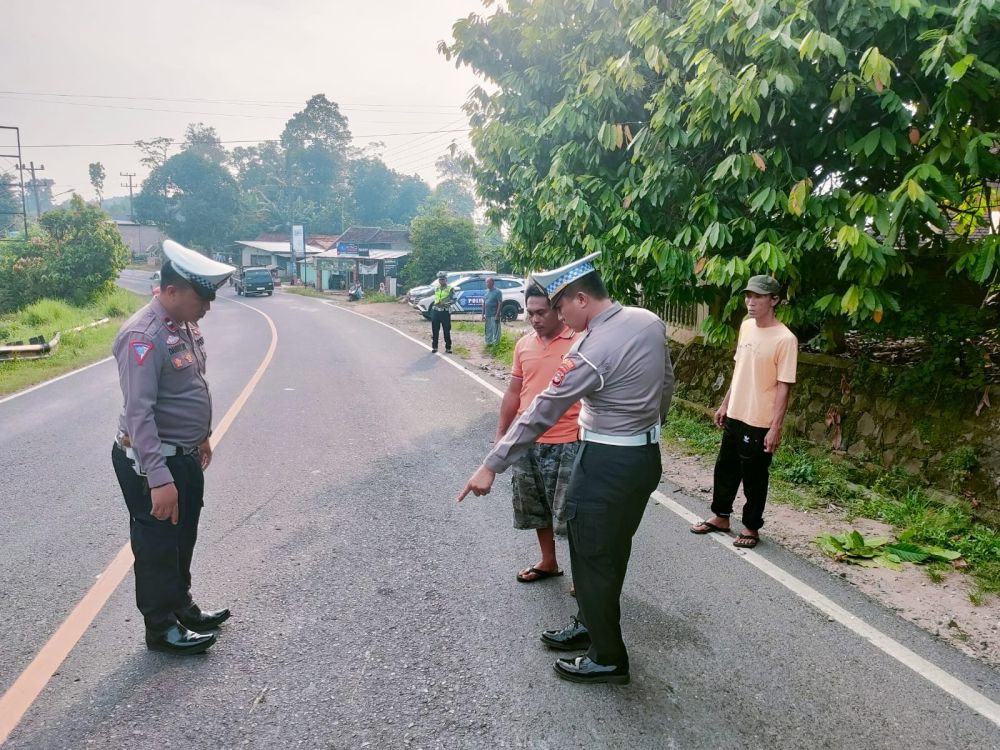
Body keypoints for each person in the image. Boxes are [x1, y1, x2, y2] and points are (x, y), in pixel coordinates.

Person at [458, 252, 674, 685]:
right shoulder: (647, 321)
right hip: (642, 458)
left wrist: (492, 464)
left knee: (592, 553)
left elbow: (542, 409)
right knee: (609, 549)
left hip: (606, 461)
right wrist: (652, 421)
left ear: (580, 298)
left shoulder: (593, 348)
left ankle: (608, 657)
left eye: (558, 307)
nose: (555, 316)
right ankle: (590, 622)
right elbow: (666, 381)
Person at [111, 239, 234, 655]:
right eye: (202, 297)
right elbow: (139, 415)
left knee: (183, 534)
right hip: (151, 461)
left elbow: (188, 387)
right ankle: (160, 627)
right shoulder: (141, 337)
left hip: (182, 453)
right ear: (171, 291)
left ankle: (181, 605)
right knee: (158, 543)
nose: (208, 307)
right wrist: (159, 479)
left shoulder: (182, 325)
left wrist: (201, 435)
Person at [690, 275, 797, 549]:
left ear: (774, 300)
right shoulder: (747, 327)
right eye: (748, 296)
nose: (750, 302)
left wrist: (775, 427)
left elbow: (784, 387)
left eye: (758, 297)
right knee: (725, 468)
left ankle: (751, 527)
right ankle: (721, 516)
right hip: (736, 413)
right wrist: (725, 404)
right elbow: (739, 369)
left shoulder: (785, 339)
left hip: (760, 420)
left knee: (754, 477)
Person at [496, 284, 581, 584]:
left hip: (569, 440)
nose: (534, 319)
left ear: (558, 309)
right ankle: (548, 561)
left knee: (571, 513)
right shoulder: (523, 345)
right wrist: (502, 436)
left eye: (541, 312)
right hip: (527, 441)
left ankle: (582, 576)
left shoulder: (579, 342)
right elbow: (514, 392)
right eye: (530, 313)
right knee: (535, 507)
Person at [430, 271, 455, 354]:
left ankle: (448, 347)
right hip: (436, 311)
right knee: (435, 330)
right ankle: (435, 347)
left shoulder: (450, 288)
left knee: (446, 330)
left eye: (443, 279)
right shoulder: (436, 288)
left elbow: (454, 300)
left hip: (445, 312)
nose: (441, 281)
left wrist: (445, 303)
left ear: (446, 280)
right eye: (440, 279)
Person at [482, 277, 503, 347]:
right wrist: (482, 315)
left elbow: (500, 303)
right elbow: (484, 304)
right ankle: (488, 342)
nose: (486, 284)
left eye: (488, 282)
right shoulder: (486, 292)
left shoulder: (497, 292)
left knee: (496, 329)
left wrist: (497, 315)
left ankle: (496, 344)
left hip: (494, 314)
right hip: (487, 314)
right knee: (488, 329)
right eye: (486, 282)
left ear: (492, 283)